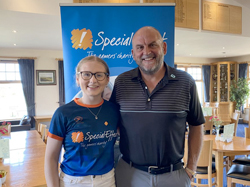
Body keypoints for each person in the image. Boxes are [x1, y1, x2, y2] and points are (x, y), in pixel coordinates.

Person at [110, 26, 205, 187]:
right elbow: (112, 121)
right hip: (129, 174)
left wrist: (191, 168)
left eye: (153, 45)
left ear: (164, 48)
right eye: (140, 47)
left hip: (173, 176)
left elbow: (197, 125)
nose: (146, 52)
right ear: (133, 54)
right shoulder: (122, 82)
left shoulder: (185, 82)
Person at [45, 56, 119, 187]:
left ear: (107, 79)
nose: (93, 80)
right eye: (86, 75)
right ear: (78, 79)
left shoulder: (114, 110)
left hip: (107, 180)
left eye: (99, 75)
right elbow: (51, 158)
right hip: (73, 181)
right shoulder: (63, 113)